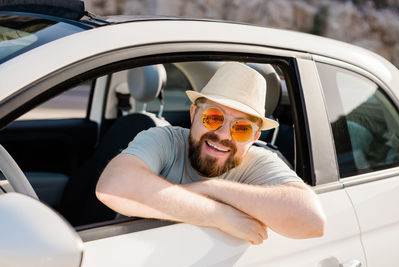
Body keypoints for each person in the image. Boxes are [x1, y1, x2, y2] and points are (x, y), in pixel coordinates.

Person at [96, 62, 326, 245]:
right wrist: (218, 215)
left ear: (255, 138)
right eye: (214, 118)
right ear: (194, 113)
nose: (224, 135)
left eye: (242, 128)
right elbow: (113, 187)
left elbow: (312, 222)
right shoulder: (164, 140)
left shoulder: (258, 163)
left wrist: (210, 187)